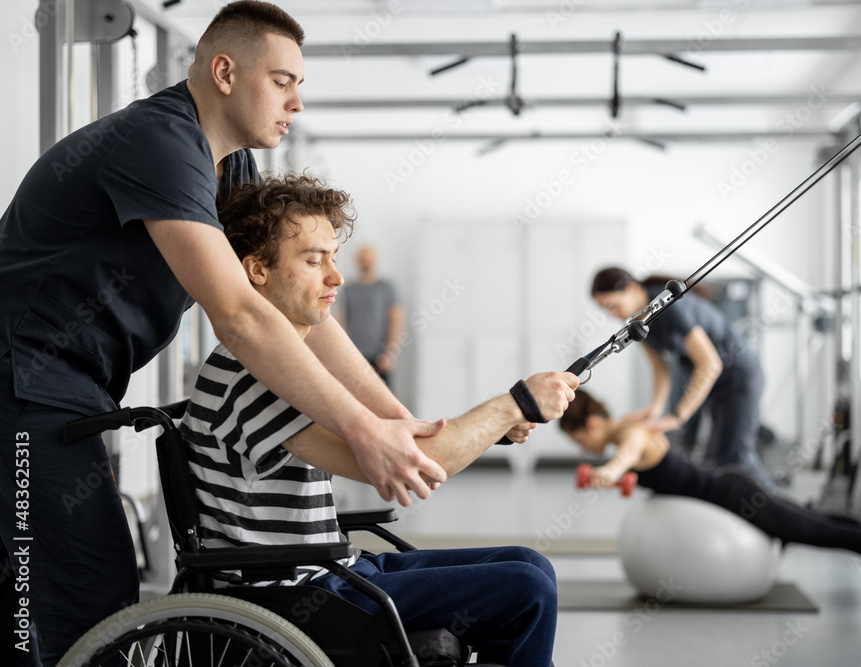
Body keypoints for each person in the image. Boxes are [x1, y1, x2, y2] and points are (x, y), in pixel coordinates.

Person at [0, 3, 450, 664]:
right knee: (83, 594)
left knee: (47, 588)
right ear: (225, 72)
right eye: (283, 80)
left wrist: (398, 421)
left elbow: (301, 313)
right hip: (22, 377)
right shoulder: (159, 142)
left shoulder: (233, 170)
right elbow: (239, 313)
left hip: (76, 381)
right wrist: (359, 427)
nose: (297, 100)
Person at [183, 173, 579, 667]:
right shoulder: (257, 374)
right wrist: (514, 403)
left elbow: (406, 433)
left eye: (333, 257)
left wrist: (494, 425)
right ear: (256, 270)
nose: (336, 277)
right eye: (312, 260)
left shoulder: (279, 361)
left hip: (330, 569)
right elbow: (416, 459)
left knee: (529, 563)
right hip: (292, 596)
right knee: (526, 589)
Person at [559, 389, 861, 603]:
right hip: (729, 486)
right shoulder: (629, 424)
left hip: (734, 496)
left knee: (821, 534)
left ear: (593, 423)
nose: (582, 446)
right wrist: (613, 474)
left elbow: (629, 455)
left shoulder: (629, 435)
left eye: (579, 436)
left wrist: (610, 471)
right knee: (822, 523)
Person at [590, 267, 775, 491]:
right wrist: (655, 409)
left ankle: (782, 518)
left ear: (630, 289)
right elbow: (660, 368)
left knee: (735, 459)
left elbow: (710, 363)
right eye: (604, 309)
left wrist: (679, 416)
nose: (611, 314)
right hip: (717, 388)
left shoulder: (667, 308)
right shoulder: (639, 322)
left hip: (739, 378)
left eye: (612, 305)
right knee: (718, 459)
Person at [337, 244, 404, 384]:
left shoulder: (385, 287)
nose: (365, 260)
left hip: (379, 356)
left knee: (383, 401)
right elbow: (340, 319)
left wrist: (390, 353)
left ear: (375, 259)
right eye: (362, 257)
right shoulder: (349, 288)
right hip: (354, 354)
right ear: (357, 260)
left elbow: (396, 321)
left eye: (368, 257)